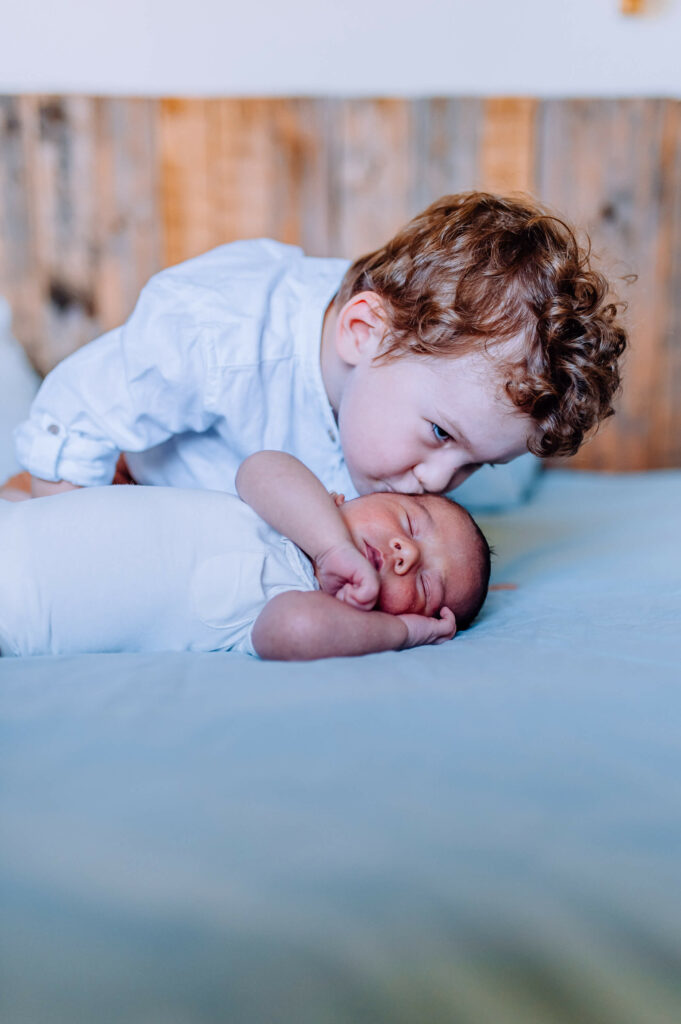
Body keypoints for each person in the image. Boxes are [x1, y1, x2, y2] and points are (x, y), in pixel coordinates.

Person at [11, 192, 626, 506]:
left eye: (476, 466)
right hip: (133, 472)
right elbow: (74, 414)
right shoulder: (217, 334)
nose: (439, 481)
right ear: (362, 333)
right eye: (440, 435)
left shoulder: (412, 385)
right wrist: (79, 526)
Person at [0, 453, 489, 660]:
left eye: (425, 587)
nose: (406, 554)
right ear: (344, 498)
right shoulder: (295, 508)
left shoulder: (294, 602)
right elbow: (259, 468)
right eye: (407, 523)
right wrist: (330, 547)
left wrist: (403, 633)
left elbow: (295, 632)